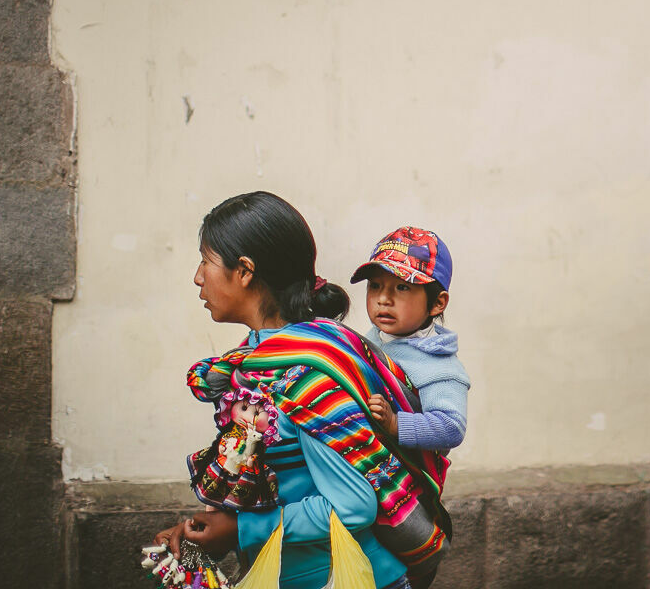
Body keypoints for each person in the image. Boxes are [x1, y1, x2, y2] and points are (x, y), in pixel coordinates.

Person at [154, 192, 447, 589]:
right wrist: (206, 532)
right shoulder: (259, 359)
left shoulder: (301, 375)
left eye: (206, 261)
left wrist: (242, 530)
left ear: (244, 271)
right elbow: (284, 483)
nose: (198, 277)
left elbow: (354, 506)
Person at [351, 227, 470, 455]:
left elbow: (451, 426)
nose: (383, 299)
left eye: (402, 287)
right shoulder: (373, 338)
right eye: (375, 286)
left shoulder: (440, 368)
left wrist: (395, 423)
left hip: (408, 472)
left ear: (437, 303)